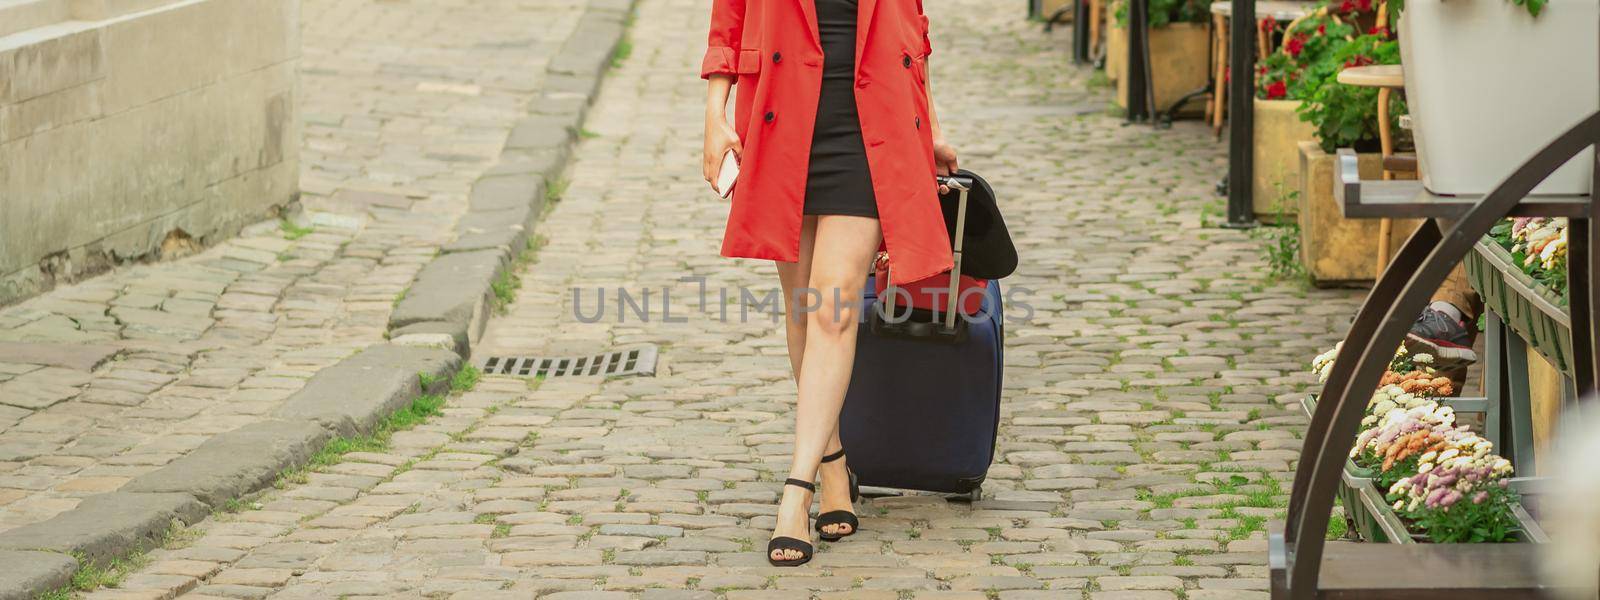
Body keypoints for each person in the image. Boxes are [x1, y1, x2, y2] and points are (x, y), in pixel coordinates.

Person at [700, 0, 958, 567]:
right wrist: (714, 118)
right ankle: (834, 463)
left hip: (874, 129)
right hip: (782, 120)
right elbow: (730, 21)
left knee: (832, 307)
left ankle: (797, 493)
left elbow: (913, 28)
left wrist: (932, 128)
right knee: (803, 309)